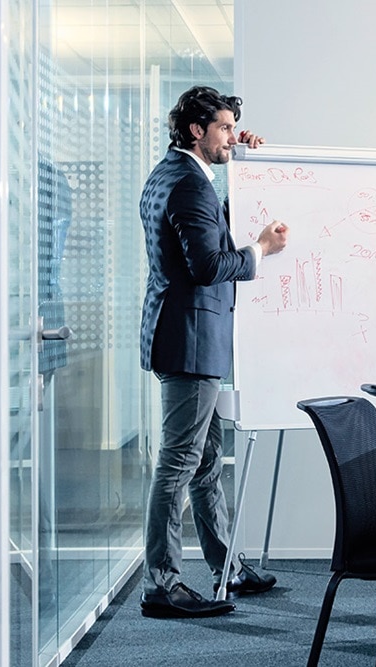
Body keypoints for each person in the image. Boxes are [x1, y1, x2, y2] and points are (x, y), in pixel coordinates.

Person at [138, 86, 289, 618]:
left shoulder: (173, 174)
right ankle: (161, 584)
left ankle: (226, 565)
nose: (231, 136)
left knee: (203, 462)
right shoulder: (187, 183)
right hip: (191, 342)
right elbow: (207, 264)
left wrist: (244, 167)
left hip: (185, 337)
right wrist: (260, 252)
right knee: (180, 462)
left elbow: (205, 234)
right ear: (196, 130)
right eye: (224, 128)